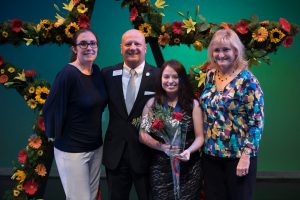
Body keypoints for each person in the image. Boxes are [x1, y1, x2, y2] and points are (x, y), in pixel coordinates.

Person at [43, 28, 107, 200]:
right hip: (72, 150)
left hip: (95, 147)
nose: (89, 47)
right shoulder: (68, 74)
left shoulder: (97, 72)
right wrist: (56, 135)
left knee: (91, 196)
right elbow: (50, 108)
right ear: (74, 48)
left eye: (93, 43)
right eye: (83, 43)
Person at [200, 28, 264, 200]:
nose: (221, 54)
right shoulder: (210, 76)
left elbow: (257, 122)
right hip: (211, 154)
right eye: (217, 50)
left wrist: (246, 156)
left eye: (226, 49)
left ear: (236, 51)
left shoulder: (248, 80)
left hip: (238, 157)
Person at [101, 29, 160, 200]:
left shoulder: (159, 76)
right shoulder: (107, 74)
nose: (132, 47)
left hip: (146, 155)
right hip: (115, 156)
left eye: (137, 43)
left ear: (145, 48)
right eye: (128, 44)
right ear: (121, 48)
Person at [139, 59, 204, 200]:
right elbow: (142, 135)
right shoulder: (152, 104)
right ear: (160, 79)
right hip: (160, 168)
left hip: (189, 167)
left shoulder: (193, 104)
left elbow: (200, 137)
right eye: (166, 76)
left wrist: (188, 151)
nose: (170, 81)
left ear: (182, 79)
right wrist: (162, 147)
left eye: (175, 77)